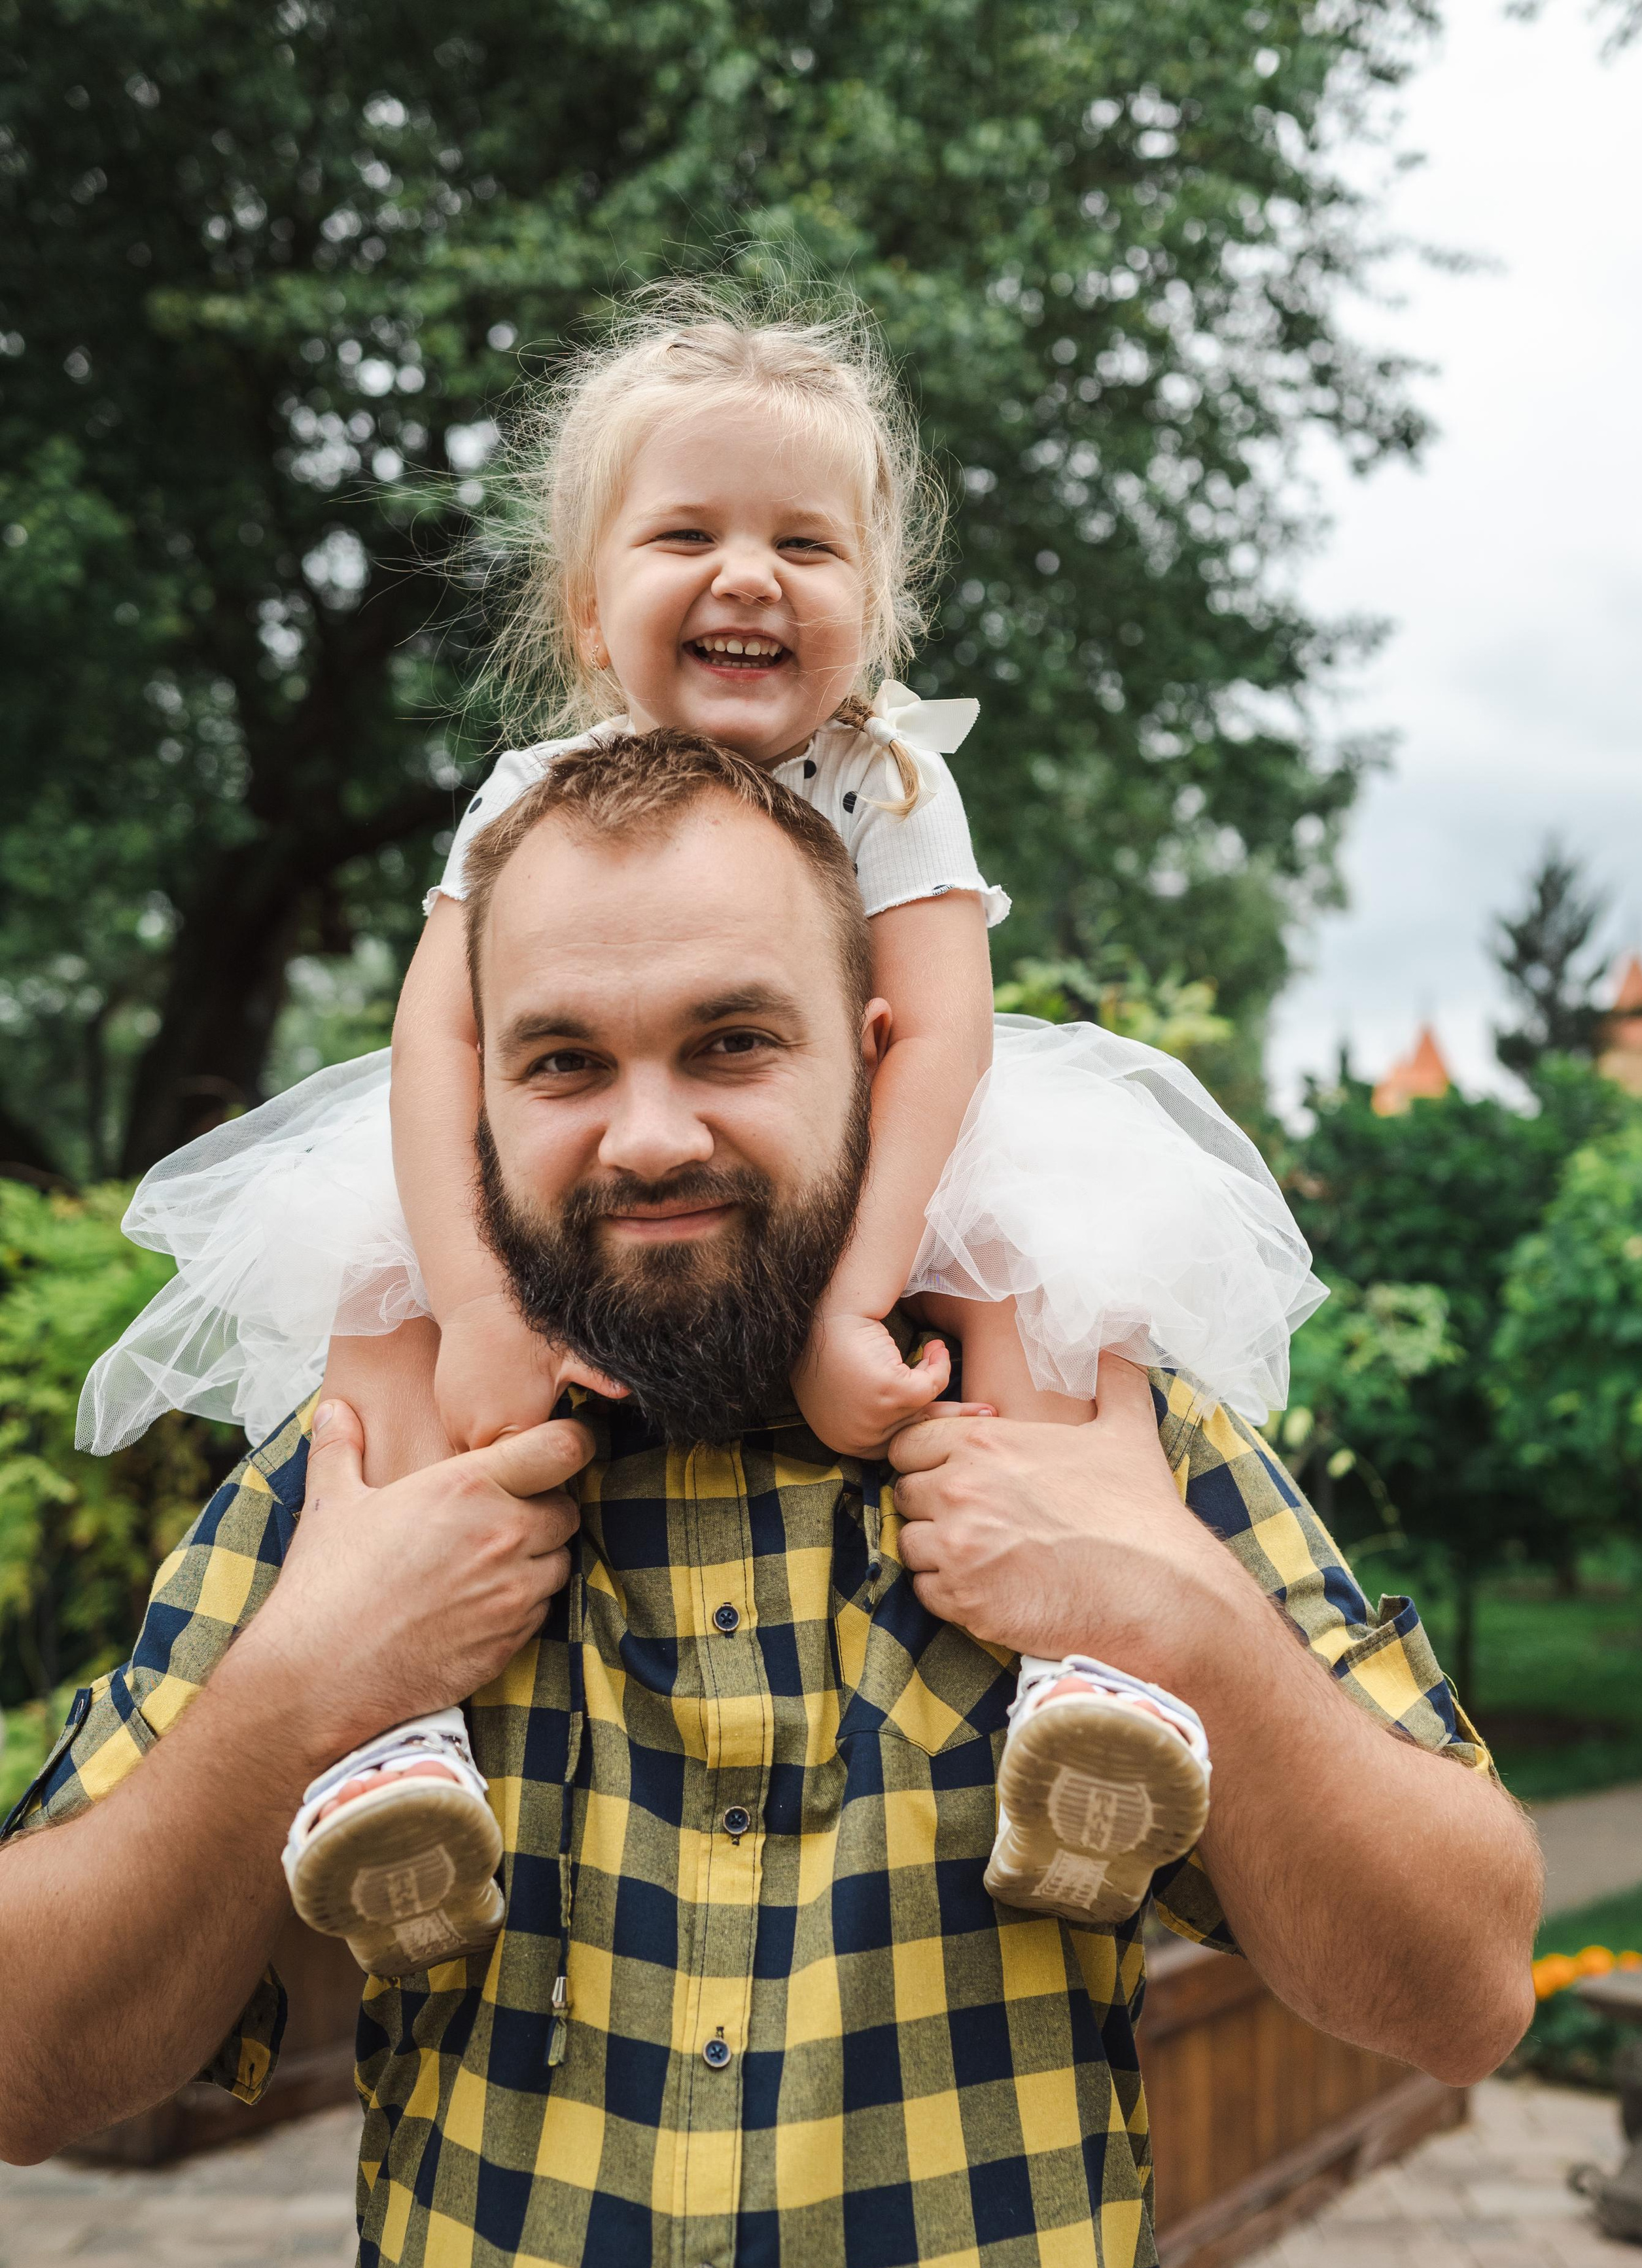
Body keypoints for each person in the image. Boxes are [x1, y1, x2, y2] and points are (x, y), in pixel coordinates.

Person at [1, 732, 1540, 2268]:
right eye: (564, 1061)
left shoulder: (1088, 1435)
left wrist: (1171, 1612)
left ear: (877, 1058)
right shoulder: (362, 1481)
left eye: (733, 1040)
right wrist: (300, 1692)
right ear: (472, 1092)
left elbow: (1466, 1991)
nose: (651, 1135)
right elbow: (30, 2070)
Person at [75, 286, 1321, 1965]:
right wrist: (481, 1307)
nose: (749, 576)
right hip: (571, 1184)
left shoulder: (886, 779)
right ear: (592, 610)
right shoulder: (529, 798)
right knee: (376, 1318)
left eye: (806, 545)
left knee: (1036, 1287)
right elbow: (437, 1039)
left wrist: (848, 1307)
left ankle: (1086, 1689)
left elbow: (939, 1041)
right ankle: (387, 1747)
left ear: (873, 608)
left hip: (884, 1152)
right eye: (688, 535)